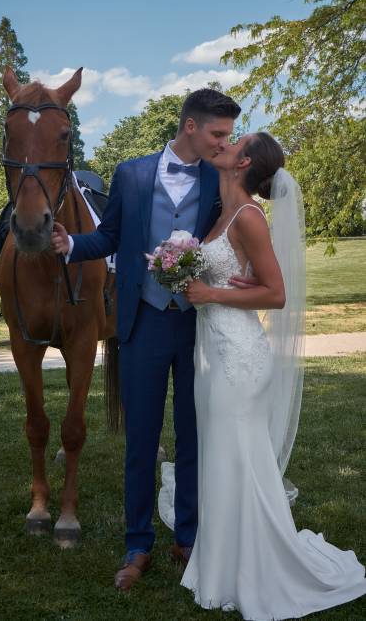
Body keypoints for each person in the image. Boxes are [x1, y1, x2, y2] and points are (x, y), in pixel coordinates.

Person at [50, 89, 243, 591]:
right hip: (143, 323)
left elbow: (235, 234)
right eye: (219, 134)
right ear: (190, 128)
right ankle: (138, 545)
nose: (226, 143)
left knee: (194, 436)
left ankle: (189, 538)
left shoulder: (219, 179)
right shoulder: (131, 174)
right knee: (141, 440)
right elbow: (110, 236)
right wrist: (71, 244)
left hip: (200, 325)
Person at [179, 131, 366, 619]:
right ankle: (221, 564)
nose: (221, 144)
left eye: (232, 141)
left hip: (239, 359)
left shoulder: (249, 217)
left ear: (243, 164)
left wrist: (212, 294)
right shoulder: (221, 215)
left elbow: (276, 294)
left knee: (239, 456)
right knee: (222, 455)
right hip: (214, 354)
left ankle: (257, 566)